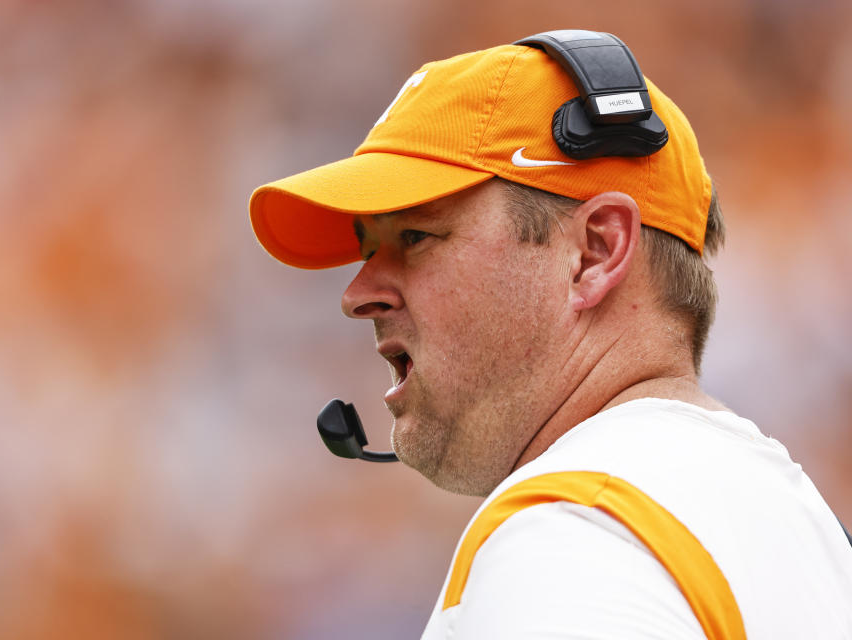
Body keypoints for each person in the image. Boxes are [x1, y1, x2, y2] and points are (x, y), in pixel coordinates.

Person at [248, 30, 852, 639]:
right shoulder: (799, 526)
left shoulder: (572, 530)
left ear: (594, 253)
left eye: (416, 237)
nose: (357, 295)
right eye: (367, 248)